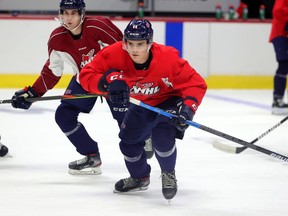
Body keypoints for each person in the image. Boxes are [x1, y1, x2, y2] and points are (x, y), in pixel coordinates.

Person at [79, 19, 207, 200]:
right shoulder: (113, 54)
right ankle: (140, 178)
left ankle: (168, 173)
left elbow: (196, 83)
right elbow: (87, 74)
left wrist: (187, 110)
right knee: (128, 143)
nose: (134, 49)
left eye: (140, 44)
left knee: (163, 139)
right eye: (130, 44)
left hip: (166, 102)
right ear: (124, 43)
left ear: (149, 43)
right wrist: (105, 83)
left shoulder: (168, 58)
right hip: (141, 104)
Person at [10, 0, 126, 174]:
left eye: (73, 13)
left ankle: (144, 141)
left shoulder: (99, 26)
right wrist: (33, 92)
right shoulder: (57, 38)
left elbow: (127, 52)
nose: (68, 17)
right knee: (64, 115)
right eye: (65, 12)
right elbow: (52, 71)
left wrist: (123, 81)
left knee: (128, 123)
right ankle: (91, 156)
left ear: (82, 14)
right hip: (85, 80)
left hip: (113, 81)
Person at [269, 0, 288, 115]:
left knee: (285, 65)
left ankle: (278, 99)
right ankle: (277, 100)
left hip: (283, 34)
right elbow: (277, 10)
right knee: (284, 64)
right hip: (280, 34)